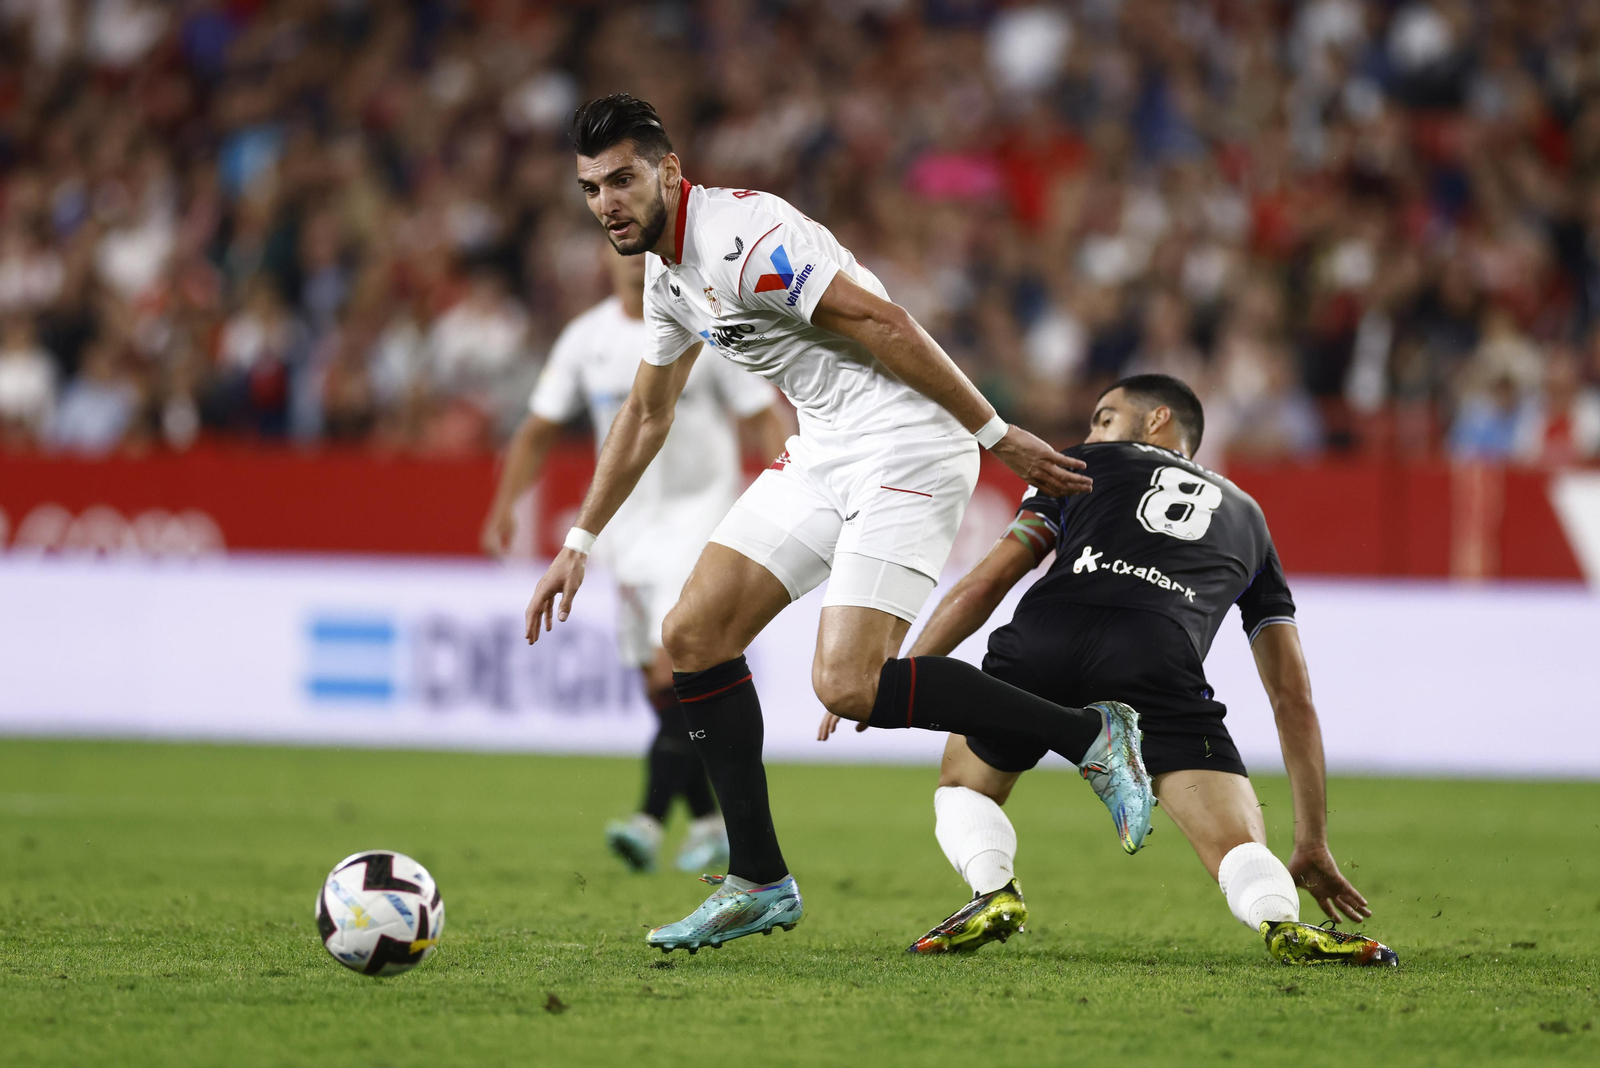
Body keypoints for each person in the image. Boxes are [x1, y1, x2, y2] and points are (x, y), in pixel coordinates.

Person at [525, 94, 1155, 954]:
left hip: (910, 444)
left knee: (849, 685)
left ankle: (1092, 734)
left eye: (623, 179)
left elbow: (882, 322)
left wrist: (996, 433)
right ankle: (757, 879)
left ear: (670, 172)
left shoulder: (744, 240)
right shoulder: (667, 276)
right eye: (591, 187)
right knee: (693, 634)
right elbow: (645, 412)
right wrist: (577, 545)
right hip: (825, 446)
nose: (607, 203)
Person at [821, 374, 1397, 966]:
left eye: (1104, 417)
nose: (1091, 432)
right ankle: (1281, 921)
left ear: (1158, 420)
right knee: (1236, 843)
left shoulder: (1080, 466)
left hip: (1046, 634)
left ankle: (993, 891)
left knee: (962, 788)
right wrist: (1313, 839)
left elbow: (986, 583)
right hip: (1155, 658)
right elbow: (1291, 695)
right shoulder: (1251, 520)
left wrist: (899, 675)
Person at [483, 247, 787, 875]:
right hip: (625, 535)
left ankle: (648, 821)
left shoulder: (701, 321)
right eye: (624, 256)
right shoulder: (584, 338)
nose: (634, 266)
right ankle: (709, 823)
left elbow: (764, 414)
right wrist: (506, 504)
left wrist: (793, 486)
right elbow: (538, 428)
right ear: (605, 258)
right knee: (665, 696)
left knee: (667, 673)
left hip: (700, 520)